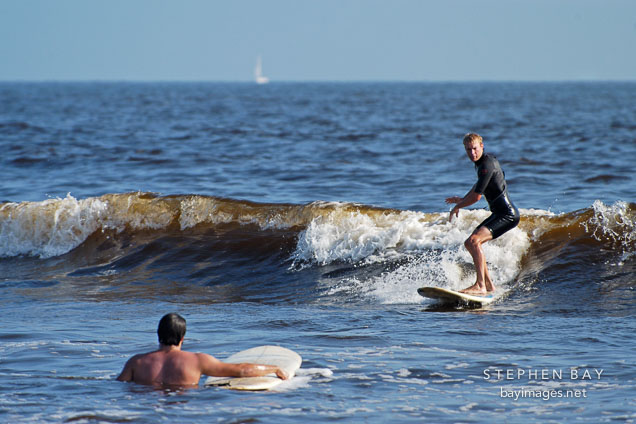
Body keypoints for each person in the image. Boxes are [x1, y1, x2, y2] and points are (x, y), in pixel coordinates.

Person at [117, 313, 288, 387]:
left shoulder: (136, 362)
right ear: (182, 338)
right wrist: (274, 368)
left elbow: (119, 385)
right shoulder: (197, 361)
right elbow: (242, 371)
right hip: (186, 410)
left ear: (158, 334)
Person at [445, 133, 520, 295]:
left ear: (482, 146)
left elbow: (477, 197)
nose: (472, 153)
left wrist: (458, 206)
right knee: (470, 243)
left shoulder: (486, 164)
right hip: (500, 213)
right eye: (468, 150)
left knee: (473, 241)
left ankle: (480, 285)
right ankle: (489, 285)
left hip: (506, 215)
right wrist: (462, 199)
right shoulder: (481, 164)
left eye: (475, 149)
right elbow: (478, 186)